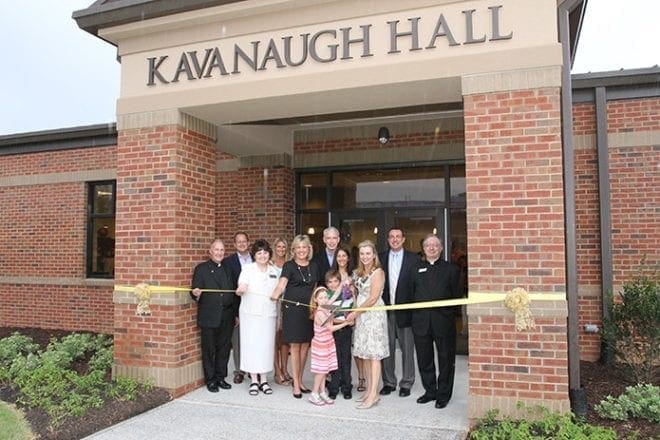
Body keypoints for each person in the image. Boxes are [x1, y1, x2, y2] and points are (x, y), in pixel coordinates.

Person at [408, 234, 461, 409]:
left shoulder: (452, 270)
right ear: (423, 249)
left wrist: (448, 315)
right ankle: (430, 391)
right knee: (424, 359)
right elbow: (410, 294)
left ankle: (443, 395)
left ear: (441, 248)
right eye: (428, 245)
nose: (432, 248)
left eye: (435, 245)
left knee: (446, 359)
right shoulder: (414, 269)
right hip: (421, 322)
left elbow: (456, 296)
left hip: (443, 323)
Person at [270, 234, 320, 399]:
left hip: (308, 312)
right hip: (292, 311)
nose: (301, 250)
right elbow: (282, 284)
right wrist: (275, 294)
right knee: (295, 347)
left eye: (304, 247)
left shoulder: (314, 266)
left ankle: (298, 379)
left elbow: (315, 288)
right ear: (294, 250)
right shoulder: (289, 266)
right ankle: (296, 385)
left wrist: (317, 307)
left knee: (305, 346)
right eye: (298, 247)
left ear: (308, 249)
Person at [190, 239, 239, 392]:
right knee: (209, 350)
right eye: (216, 250)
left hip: (227, 316)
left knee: (224, 349)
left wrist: (236, 314)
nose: (219, 253)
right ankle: (210, 380)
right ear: (210, 251)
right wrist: (195, 293)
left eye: (222, 250)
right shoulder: (201, 269)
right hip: (209, 317)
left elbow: (234, 293)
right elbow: (194, 291)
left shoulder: (228, 269)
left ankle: (220, 377)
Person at [347, 240, 389, 409]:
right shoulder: (357, 273)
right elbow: (357, 295)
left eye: (368, 253)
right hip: (361, 316)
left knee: (374, 355)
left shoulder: (377, 272)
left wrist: (355, 312)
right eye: (362, 253)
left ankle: (373, 394)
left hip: (373, 315)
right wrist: (353, 306)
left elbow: (372, 298)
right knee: (364, 354)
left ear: (374, 254)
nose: (365, 256)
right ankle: (370, 391)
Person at [378, 227, 420, 398]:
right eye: (391, 237)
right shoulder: (380, 258)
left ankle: (407, 382)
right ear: (388, 240)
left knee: (407, 349)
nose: (395, 239)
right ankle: (388, 382)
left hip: (406, 311)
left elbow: (417, 286)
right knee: (386, 349)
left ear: (403, 239)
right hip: (385, 311)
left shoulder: (414, 259)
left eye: (398, 237)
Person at [235, 239, 280, 396]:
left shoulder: (274, 271)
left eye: (265, 252)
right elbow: (241, 286)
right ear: (254, 255)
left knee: (266, 347)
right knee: (252, 346)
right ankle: (254, 380)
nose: (262, 255)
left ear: (269, 254)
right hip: (250, 315)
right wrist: (241, 289)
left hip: (268, 315)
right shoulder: (248, 269)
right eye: (259, 253)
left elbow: (279, 291)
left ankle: (264, 380)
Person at [308, 286, 350, 406]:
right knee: (320, 371)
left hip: (328, 342)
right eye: (321, 298)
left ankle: (322, 392)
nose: (324, 299)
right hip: (321, 344)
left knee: (325, 370)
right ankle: (314, 393)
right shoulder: (320, 313)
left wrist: (343, 285)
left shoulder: (326, 307)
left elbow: (336, 295)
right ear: (316, 300)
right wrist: (346, 322)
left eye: (326, 297)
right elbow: (330, 328)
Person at [223, 232, 253, 384]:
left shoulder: (258, 258)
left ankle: (253, 368)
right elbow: (229, 288)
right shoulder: (228, 262)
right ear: (234, 245)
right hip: (237, 306)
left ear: (249, 242)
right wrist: (234, 313)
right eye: (238, 242)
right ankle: (239, 371)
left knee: (253, 339)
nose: (242, 244)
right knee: (238, 340)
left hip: (255, 307)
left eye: (244, 241)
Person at [325, 268, 355, 400]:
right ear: (326, 284)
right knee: (335, 360)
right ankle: (334, 387)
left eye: (335, 281)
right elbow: (329, 315)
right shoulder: (327, 296)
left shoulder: (346, 294)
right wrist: (344, 321)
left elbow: (352, 306)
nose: (333, 284)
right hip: (334, 330)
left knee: (346, 359)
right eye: (330, 282)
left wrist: (351, 319)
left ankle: (347, 387)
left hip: (347, 330)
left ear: (339, 282)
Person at [271, 237, 292, 386]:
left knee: (285, 339)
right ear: (274, 248)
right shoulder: (269, 265)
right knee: (273, 339)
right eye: (278, 247)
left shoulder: (290, 264)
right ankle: (277, 371)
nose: (281, 250)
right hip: (273, 304)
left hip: (287, 304)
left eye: (283, 247)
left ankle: (285, 369)